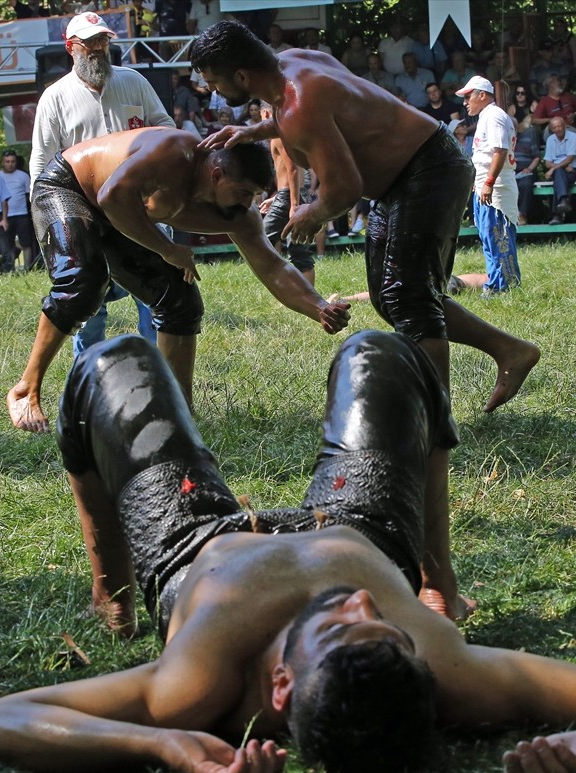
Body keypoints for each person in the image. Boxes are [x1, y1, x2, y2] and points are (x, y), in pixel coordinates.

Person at [0, 329, 576, 773]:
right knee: (381, 353)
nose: (361, 603)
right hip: (356, 523)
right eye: (387, 627)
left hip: (195, 540)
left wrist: (161, 745)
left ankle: (108, 592)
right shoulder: (450, 672)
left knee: (115, 363)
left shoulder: (194, 684)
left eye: (340, 628)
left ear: (279, 688)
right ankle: (440, 581)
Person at [193, 21, 541, 618]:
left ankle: (434, 413)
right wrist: (252, 128)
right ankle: (510, 350)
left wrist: (309, 211)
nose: (210, 88)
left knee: (406, 295)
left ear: (243, 75)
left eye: (215, 80)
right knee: (391, 294)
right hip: (410, 172)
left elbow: (345, 184)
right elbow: (328, 117)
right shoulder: (296, 64)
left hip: (426, 172)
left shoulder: (297, 105)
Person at [11, 127, 349, 435]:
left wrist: (319, 307)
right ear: (217, 175)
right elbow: (112, 195)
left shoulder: (238, 216)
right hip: (69, 187)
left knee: (181, 301)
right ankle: (26, 389)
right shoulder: (174, 154)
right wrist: (168, 249)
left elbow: (273, 267)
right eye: (244, 193)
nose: (248, 204)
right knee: (83, 284)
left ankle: (177, 410)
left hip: (121, 215)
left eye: (254, 196)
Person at [14, 11, 172, 424]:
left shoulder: (134, 82)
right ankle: (90, 395)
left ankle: (160, 391)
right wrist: (52, 227)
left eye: (103, 40)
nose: (98, 48)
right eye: (89, 43)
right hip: (83, 214)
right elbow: (40, 167)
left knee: (157, 300)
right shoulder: (55, 97)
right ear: (71, 48)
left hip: (140, 211)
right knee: (88, 309)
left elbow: (166, 131)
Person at [457, 76, 520, 294]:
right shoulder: (487, 116)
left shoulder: (494, 116)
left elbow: (500, 150)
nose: (465, 102)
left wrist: (489, 183)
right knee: (488, 237)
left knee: (498, 238)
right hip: (486, 186)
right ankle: (496, 285)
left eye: (468, 96)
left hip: (497, 188)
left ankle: (506, 287)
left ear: (482, 95)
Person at [259, 103, 314, 285]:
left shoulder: (279, 136)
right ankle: (300, 293)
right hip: (288, 195)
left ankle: (301, 295)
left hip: (290, 197)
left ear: (265, 113)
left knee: (260, 241)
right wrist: (275, 198)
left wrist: (293, 205)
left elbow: (292, 171)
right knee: (297, 248)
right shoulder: (286, 134)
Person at [0, 150, 34, 273]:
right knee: (8, 245)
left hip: (21, 214)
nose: (10, 164)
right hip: (4, 216)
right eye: (7, 162)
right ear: (3, 162)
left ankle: (27, 269)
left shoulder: (23, 176)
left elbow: (28, 196)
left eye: (13, 161)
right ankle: (10, 270)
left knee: (25, 243)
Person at [543, 116, 576, 225]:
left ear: (564, 126)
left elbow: (570, 158)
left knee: (558, 177)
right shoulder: (550, 139)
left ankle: (556, 215)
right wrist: (561, 167)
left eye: (559, 126)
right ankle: (563, 200)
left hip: (574, 169)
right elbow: (547, 162)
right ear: (551, 129)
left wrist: (552, 169)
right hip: (563, 170)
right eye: (555, 127)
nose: (558, 129)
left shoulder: (574, 137)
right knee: (559, 174)